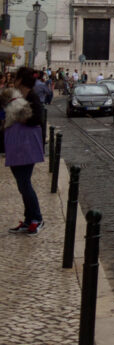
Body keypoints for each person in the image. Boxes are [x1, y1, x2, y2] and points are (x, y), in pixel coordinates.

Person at [5, 67, 45, 234]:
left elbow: (38, 119)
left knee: (25, 183)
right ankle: (29, 220)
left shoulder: (32, 97)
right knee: (23, 185)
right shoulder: (18, 95)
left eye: (15, 77)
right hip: (16, 146)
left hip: (26, 146)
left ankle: (37, 218)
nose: (13, 79)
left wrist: (20, 116)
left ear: (21, 79)